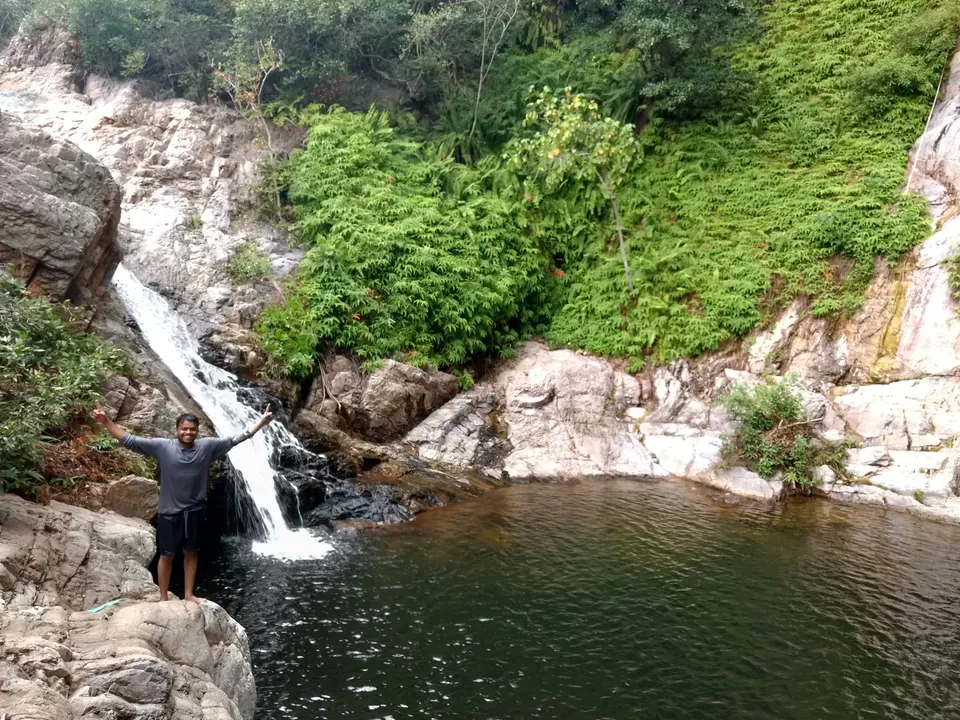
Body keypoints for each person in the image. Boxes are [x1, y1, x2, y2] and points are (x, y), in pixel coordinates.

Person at [92, 402, 274, 603]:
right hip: (169, 512)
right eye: (184, 429)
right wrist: (106, 421)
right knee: (167, 555)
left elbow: (236, 439)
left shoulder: (208, 447)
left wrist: (261, 423)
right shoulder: (163, 447)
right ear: (177, 430)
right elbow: (130, 441)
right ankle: (163, 598)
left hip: (195, 511)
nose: (188, 433)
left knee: (191, 553)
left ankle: (188, 594)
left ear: (197, 431)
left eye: (192, 430)